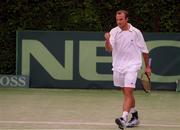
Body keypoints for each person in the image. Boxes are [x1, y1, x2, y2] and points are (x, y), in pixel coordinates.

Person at [104, 10, 151, 129]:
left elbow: (145, 51)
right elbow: (109, 49)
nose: (119, 22)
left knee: (128, 91)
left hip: (133, 65)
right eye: (117, 20)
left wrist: (147, 66)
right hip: (118, 66)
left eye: (121, 19)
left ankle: (123, 118)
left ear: (127, 19)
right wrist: (107, 40)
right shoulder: (114, 31)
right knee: (125, 92)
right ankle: (135, 116)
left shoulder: (136, 32)